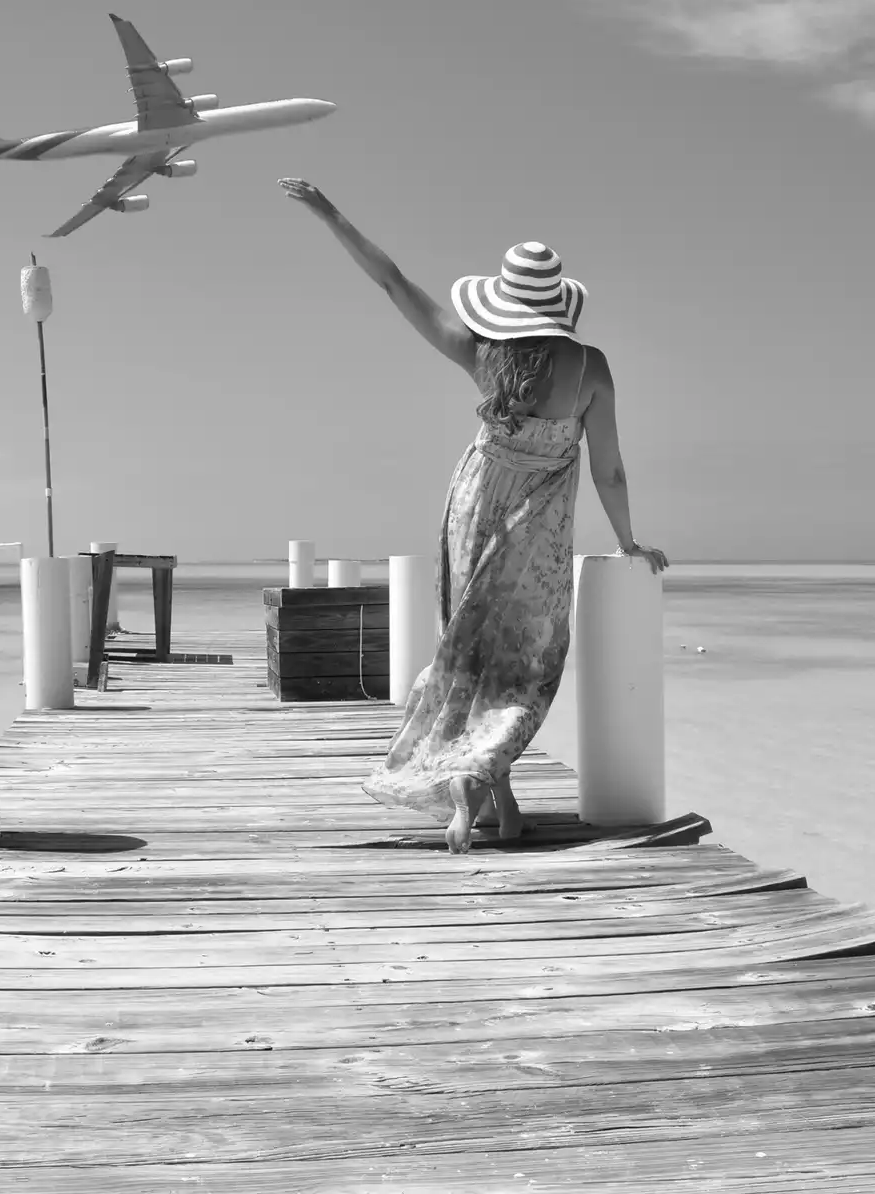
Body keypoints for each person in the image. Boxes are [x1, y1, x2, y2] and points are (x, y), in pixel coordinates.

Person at [279, 178, 669, 854]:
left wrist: (327, 211)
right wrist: (631, 543)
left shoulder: (483, 355)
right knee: (525, 664)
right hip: (538, 537)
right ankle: (479, 787)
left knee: (468, 657)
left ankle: (495, 805)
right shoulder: (592, 369)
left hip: (469, 512)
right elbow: (610, 469)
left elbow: (394, 283)